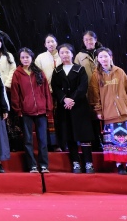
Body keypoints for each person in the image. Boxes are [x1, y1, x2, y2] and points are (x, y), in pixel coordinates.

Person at [88, 47, 127, 175]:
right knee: (114, 141)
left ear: (111, 57)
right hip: (109, 114)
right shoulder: (96, 75)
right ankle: (119, 164)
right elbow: (94, 95)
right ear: (98, 59)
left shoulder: (119, 72)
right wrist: (98, 111)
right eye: (101, 57)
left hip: (124, 112)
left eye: (106, 56)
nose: (104, 59)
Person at [50, 43, 95, 174]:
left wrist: (72, 99)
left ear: (72, 54)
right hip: (64, 108)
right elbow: (55, 87)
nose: (65, 55)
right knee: (69, 134)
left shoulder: (79, 69)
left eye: (67, 52)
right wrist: (64, 99)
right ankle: (75, 162)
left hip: (79, 106)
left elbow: (83, 86)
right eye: (62, 53)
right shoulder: (57, 71)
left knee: (84, 134)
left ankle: (88, 163)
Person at [10, 48, 53, 173]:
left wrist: (48, 108)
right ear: (19, 59)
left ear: (32, 58)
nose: (25, 59)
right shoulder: (17, 73)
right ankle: (32, 165)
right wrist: (18, 110)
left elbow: (46, 91)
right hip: (26, 112)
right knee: (28, 140)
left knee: (43, 140)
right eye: (23, 57)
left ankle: (44, 165)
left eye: (27, 57)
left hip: (41, 111)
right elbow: (15, 93)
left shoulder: (39, 72)